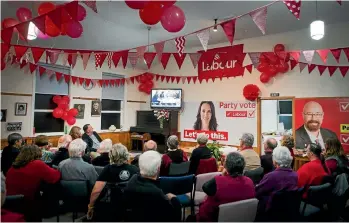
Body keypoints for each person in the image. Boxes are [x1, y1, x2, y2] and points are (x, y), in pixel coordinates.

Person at [6, 145, 60, 221]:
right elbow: (55, 177)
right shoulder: (37, 164)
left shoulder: (13, 166)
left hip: (9, 203)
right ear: (37, 153)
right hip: (28, 202)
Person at [123, 151, 182, 222]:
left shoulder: (131, 181)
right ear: (158, 169)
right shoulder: (157, 194)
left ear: (140, 166)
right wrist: (174, 199)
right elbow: (174, 218)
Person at [196, 152, 255, 222]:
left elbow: (205, 187)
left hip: (214, 218)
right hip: (241, 218)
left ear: (226, 166)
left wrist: (222, 175)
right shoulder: (249, 181)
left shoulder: (218, 181)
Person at [87, 143, 139, 221]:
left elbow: (96, 191)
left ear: (111, 155)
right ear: (126, 154)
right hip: (131, 204)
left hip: (111, 204)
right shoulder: (135, 169)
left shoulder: (108, 169)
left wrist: (91, 206)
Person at [256, 146, 298, 213]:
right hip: (288, 211)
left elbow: (257, 192)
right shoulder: (295, 175)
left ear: (275, 161)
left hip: (270, 211)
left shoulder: (270, 176)